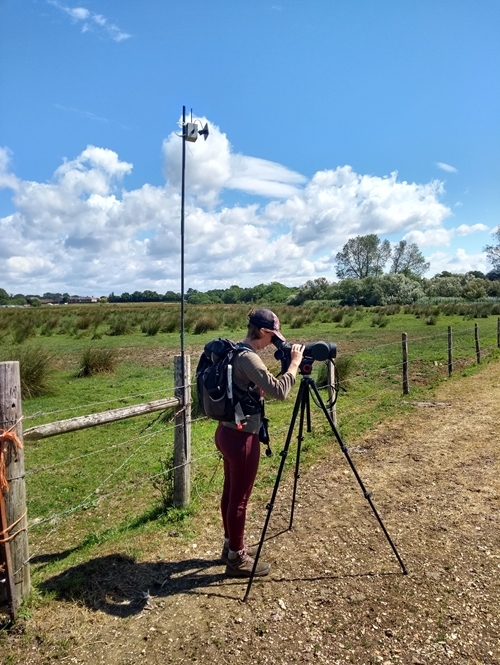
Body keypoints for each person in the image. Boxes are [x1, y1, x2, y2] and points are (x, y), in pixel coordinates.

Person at [215, 308, 304, 577]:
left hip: (226, 432)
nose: (272, 343)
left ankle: (232, 546)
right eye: (272, 337)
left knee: (231, 494)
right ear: (263, 332)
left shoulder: (234, 350)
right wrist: (294, 364)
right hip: (241, 438)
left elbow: (242, 388)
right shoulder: (249, 358)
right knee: (239, 500)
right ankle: (237, 560)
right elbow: (280, 391)